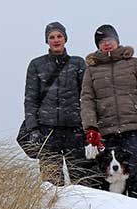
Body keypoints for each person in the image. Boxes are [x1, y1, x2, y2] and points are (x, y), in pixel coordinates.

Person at [81, 24, 137, 197]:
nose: (107, 44)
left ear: (117, 41)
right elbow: (87, 100)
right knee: (110, 176)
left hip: (133, 128)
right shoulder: (91, 70)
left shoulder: (133, 63)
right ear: (98, 46)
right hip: (107, 131)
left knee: (132, 174)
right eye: (102, 42)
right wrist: (91, 127)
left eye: (109, 40)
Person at [23, 21, 87, 185]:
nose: (56, 40)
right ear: (47, 41)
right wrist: (33, 129)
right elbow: (30, 99)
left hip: (74, 129)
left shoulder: (78, 63)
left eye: (59, 36)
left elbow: (87, 97)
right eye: (51, 37)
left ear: (65, 39)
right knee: (51, 183)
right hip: (47, 131)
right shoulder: (36, 65)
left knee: (81, 181)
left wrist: (89, 126)